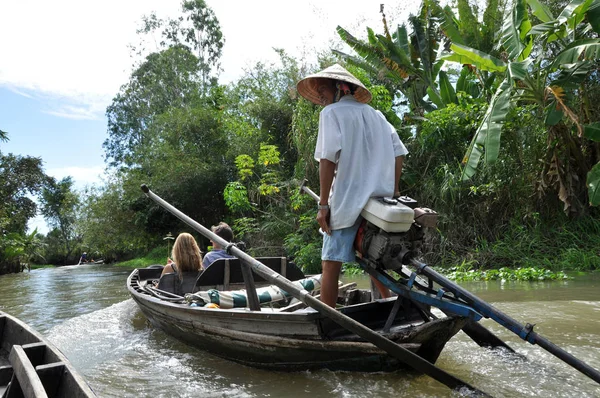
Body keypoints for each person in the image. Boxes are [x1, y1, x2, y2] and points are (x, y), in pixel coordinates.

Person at [296, 64, 408, 307]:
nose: (321, 96)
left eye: (323, 89)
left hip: (347, 202)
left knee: (330, 263)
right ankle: (391, 307)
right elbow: (398, 153)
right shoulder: (376, 115)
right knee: (371, 257)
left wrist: (323, 205)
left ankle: (328, 317)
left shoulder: (331, 114)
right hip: (379, 205)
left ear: (339, 87)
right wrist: (395, 190)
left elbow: (326, 161)